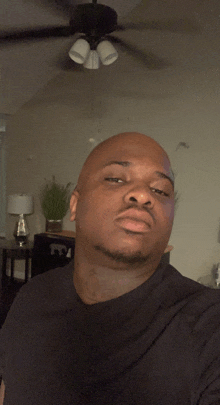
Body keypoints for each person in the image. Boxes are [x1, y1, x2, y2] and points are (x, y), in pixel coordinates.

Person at [0, 132, 220, 404]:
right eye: (115, 179)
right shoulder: (32, 298)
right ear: (75, 205)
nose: (142, 195)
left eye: (160, 190)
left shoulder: (208, 326)